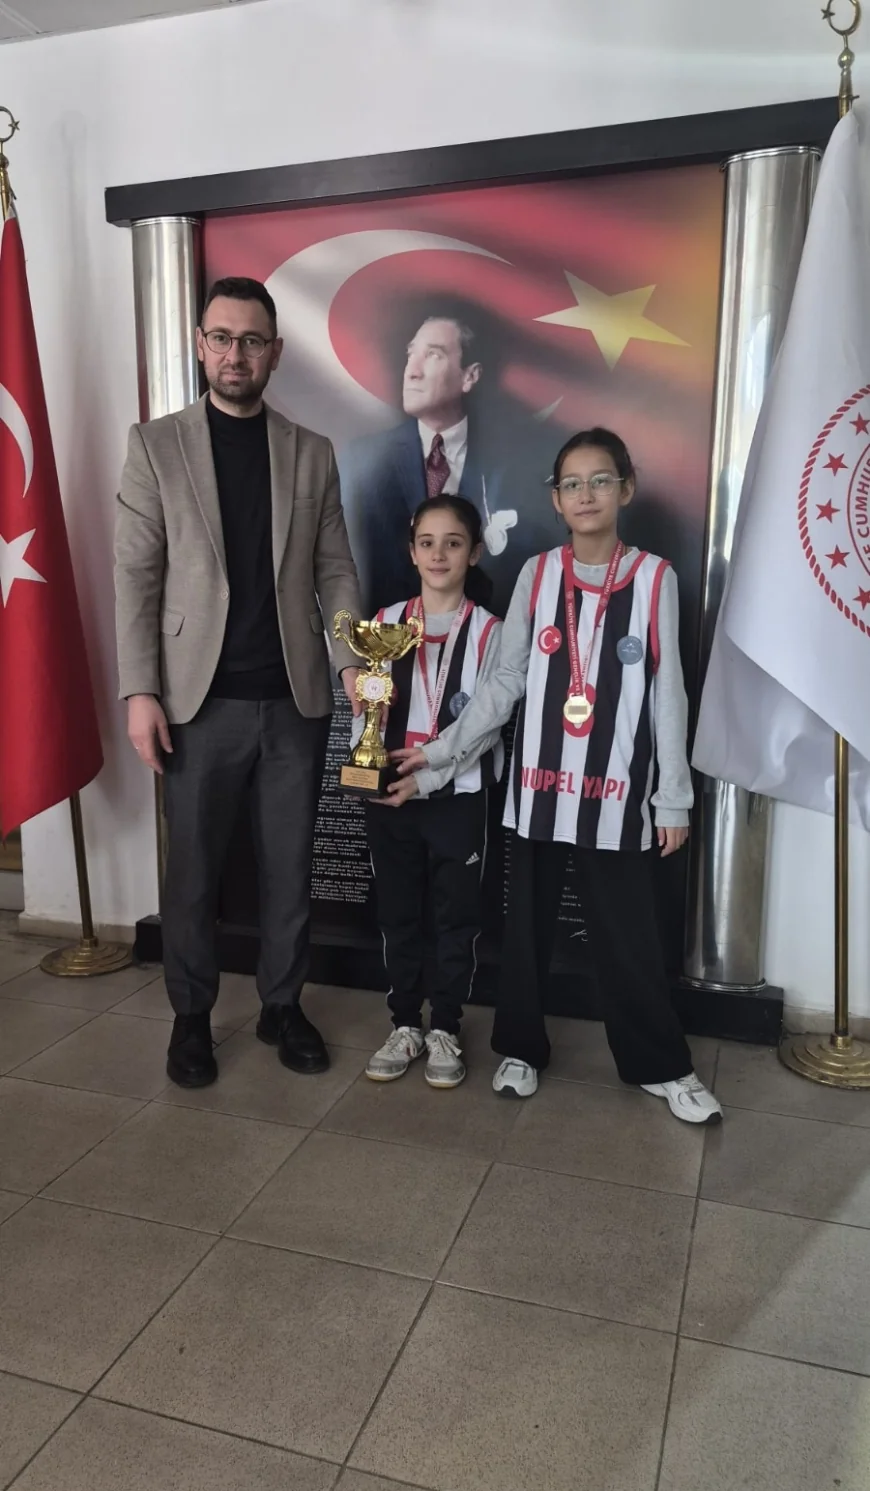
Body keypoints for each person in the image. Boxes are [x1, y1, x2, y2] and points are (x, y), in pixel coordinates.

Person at [391, 428, 722, 1125]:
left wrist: (672, 798)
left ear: (626, 489)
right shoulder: (538, 576)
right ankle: (520, 1048)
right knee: (526, 929)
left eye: (600, 480)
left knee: (628, 933)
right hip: (539, 787)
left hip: (618, 791)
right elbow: (506, 680)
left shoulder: (655, 577)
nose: (586, 494)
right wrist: (443, 750)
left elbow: (668, 690)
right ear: (556, 498)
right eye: (572, 483)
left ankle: (662, 1064)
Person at [115, 275, 362, 1090]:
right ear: (200, 344)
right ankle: (191, 1015)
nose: (235, 354)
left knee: (289, 868)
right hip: (196, 704)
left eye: (251, 341)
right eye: (221, 338)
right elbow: (136, 578)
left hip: (294, 700)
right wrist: (140, 691)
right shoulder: (156, 446)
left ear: (274, 353)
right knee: (193, 872)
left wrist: (353, 661)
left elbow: (334, 569)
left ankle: (281, 1006)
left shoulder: (311, 451)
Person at [362, 494, 503, 1090]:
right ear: (411, 551)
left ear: (474, 553)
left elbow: (488, 725)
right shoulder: (384, 622)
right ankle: (404, 1024)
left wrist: (433, 773)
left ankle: (444, 1024)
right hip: (391, 796)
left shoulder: (492, 632)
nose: (439, 554)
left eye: (453, 543)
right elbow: (364, 710)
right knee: (398, 913)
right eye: (427, 543)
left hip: (458, 798)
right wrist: (368, 762)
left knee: (455, 916)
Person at [344, 315, 520, 609]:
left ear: (469, 376)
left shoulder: (510, 461)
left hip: (481, 630)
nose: (412, 372)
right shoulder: (363, 460)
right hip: (388, 632)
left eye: (433, 355)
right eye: (411, 354)